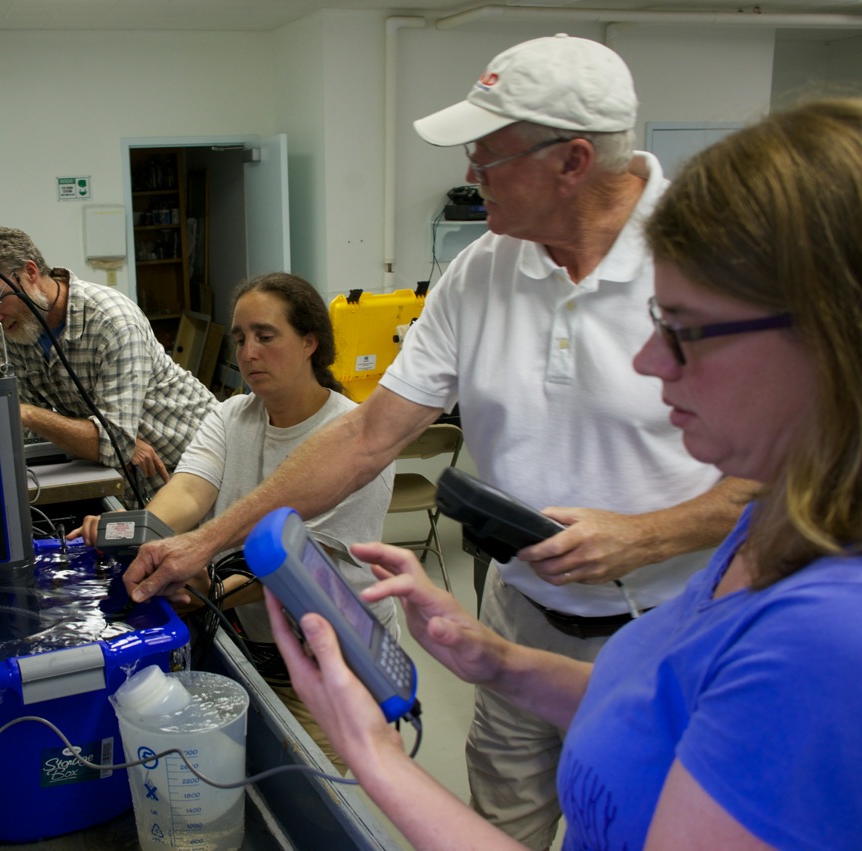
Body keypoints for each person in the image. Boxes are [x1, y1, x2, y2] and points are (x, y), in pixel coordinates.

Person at [121, 34, 756, 848]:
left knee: (637, 823)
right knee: (503, 817)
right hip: (517, 617)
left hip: (677, 626)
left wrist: (646, 533)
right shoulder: (481, 272)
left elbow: (806, 477)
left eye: (486, 157)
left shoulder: (720, 261)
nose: (467, 176)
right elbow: (367, 437)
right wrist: (204, 542)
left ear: (572, 161)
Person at [266, 96, 862, 850]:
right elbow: (659, 707)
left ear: (829, 338)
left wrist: (373, 757)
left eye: (684, 331)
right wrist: (502, 661)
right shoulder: (769, 526)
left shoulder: (827, 635)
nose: (648, 362)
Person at [71, 272, 396, 769]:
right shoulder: (231, 416)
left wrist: (204, 585)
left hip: (332, 668)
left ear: (311, 342)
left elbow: (297, 565)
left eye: (266, 337)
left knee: (312, 802)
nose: (248, 353)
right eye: (240, 338)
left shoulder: (356, 443)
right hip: (257, 648)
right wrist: (139, 537)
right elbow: (187, 491)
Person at [0, 227, 217, 504]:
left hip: (191, 461)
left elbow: (112, 442)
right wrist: (106, 441)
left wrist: (30, 414)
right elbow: (39, 435)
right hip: (127, 475)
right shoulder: (15, 328)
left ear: (30, 273)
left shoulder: (112, 320)